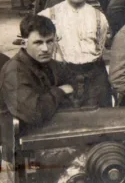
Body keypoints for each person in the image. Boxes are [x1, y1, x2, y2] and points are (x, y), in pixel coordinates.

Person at [0, 15, 74, 171]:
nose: (45, 48)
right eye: (38, 43)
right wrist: (59, 91)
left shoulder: (52, 65)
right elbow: (34, 112)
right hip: (20, 152)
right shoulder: (14, 71)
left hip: (48, 140)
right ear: (24, 42)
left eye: (50, 41)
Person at [39, 0, 111, 108]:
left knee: (99, 119)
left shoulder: (99, 17)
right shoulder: (47, 16)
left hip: (93, 78)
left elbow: (101, 46)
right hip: (62, 77)